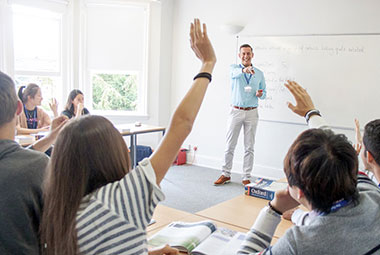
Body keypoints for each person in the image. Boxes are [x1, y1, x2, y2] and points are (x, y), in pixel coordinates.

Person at [40, 18, 216, 255]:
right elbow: (182, 124)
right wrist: (207, 63)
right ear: (111, 154)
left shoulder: (58, 214)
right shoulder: (122, 199)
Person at [238, 81, 380, 254]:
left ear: (300, 193)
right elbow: (335, 153)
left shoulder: (298, 244)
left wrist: (273, 209)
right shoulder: (373, 194)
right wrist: (311, 113)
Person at [0, 71, 67, 255]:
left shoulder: (29, 165)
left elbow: (10, 159)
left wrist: (50, 137)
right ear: (18, 108)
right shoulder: (38, 167)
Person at [214, 44, 267, 186]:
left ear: (252, 55)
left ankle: (246, 176)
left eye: (248, 53)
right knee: (230, 144)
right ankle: (225, 174)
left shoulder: (260, 73)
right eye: (243, 53)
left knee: (249, 146)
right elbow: (234, 74)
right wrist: (244, 70)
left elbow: (264, 93)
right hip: (235, 111)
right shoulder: (234, 69)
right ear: (239, 55)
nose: (246, 56)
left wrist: (260, 94)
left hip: (252, 112)